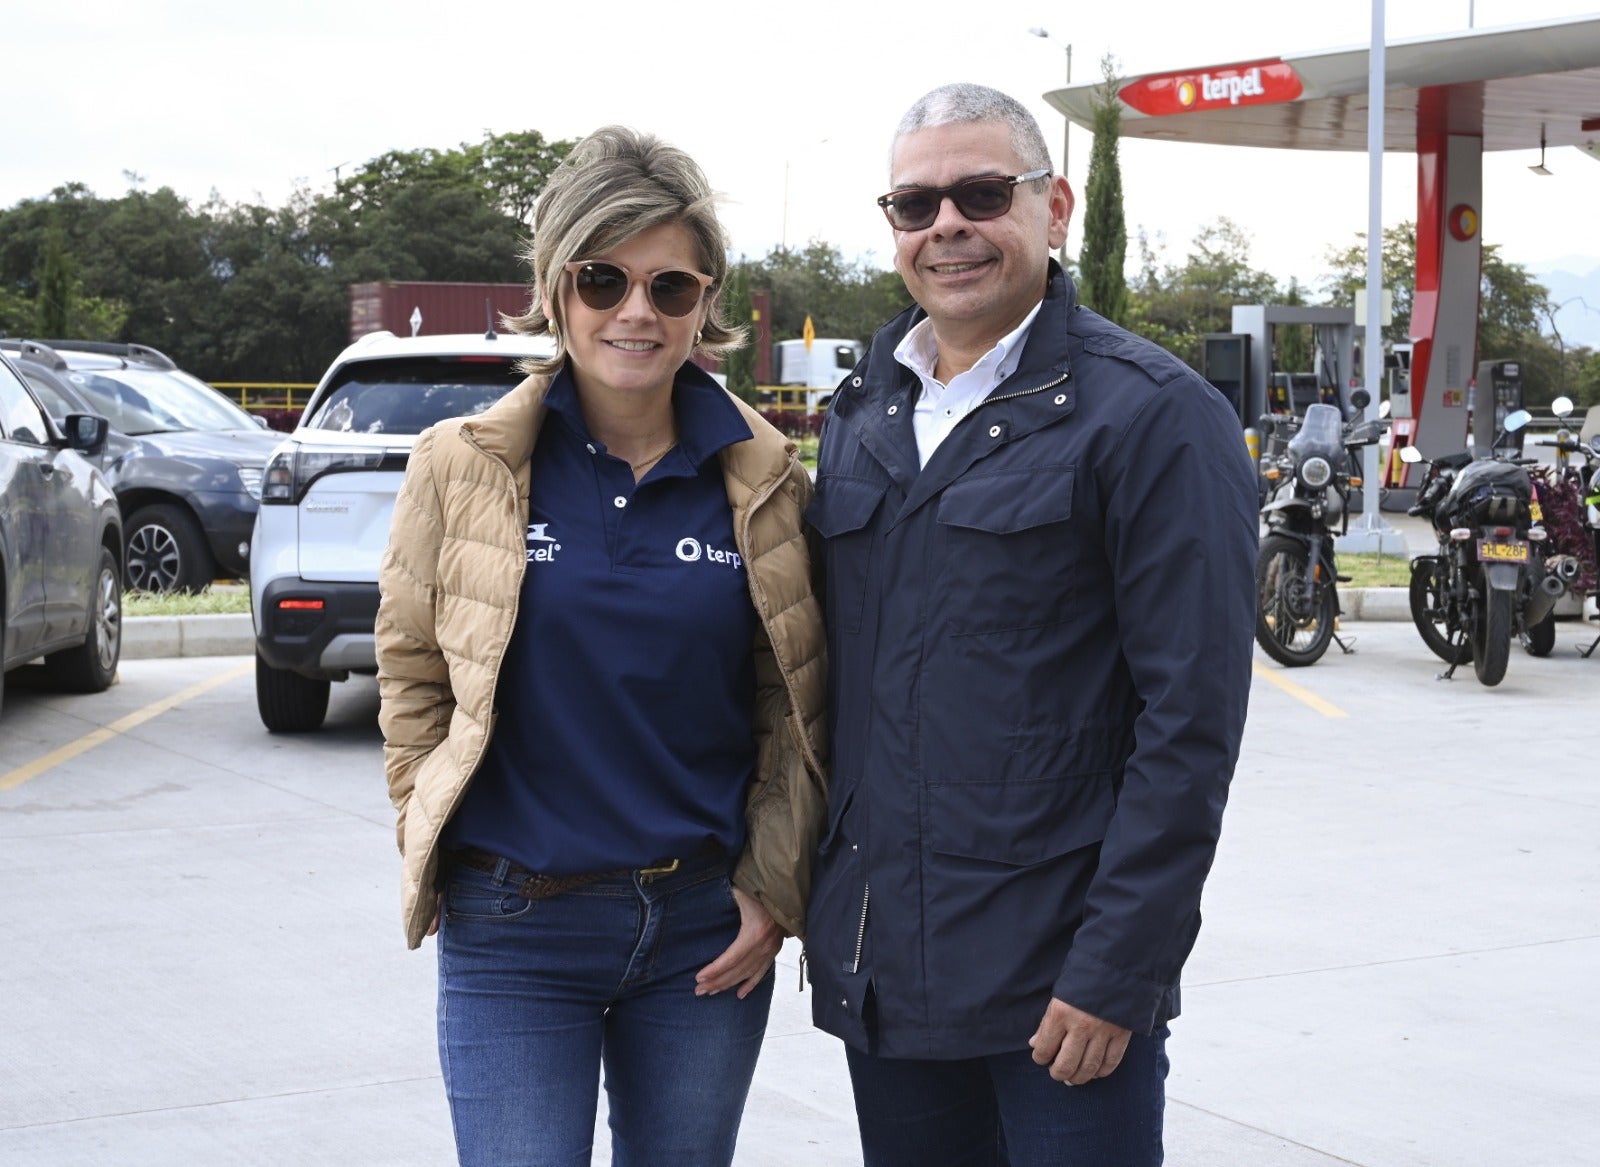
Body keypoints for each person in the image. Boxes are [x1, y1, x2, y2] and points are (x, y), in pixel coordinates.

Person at [803, 83, 1257, 1166]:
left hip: (1061, 995)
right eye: (914, 206)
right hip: (887, 976)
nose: (946, 226)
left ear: (1052, 208)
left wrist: (1118, 972)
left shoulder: (1153, 417)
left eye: (979, 193)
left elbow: (1187, 725)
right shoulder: (863, 416)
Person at [374, 125, 828, 1167]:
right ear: (554, 286)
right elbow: (410, 666)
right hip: (513, 926)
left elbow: (791, 700)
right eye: (602, 279)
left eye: (670, 288)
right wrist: (422, 819)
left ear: (704, 300)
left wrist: (771, 882)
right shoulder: (463, 464)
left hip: (702, 928)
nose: (635, 311)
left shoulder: (763, 477)